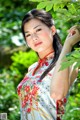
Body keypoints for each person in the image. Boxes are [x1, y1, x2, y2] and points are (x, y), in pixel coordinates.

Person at [17, 9, 80, 120]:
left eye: (38, 30)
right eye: (28, 35)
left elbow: (57, 94)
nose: (34, 37)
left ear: (53, 30)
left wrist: (68, 44)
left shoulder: (70, 63)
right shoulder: (32, 69)